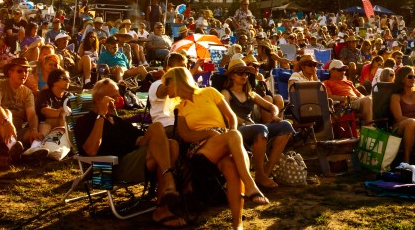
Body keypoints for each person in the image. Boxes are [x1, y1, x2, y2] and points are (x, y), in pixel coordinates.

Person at [168, 66, 270, 230]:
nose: (165, 89)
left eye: (167, 84)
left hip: (224, 141)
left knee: (232, 167)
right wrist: (209, 133)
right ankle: (251, 185)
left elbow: (231, 118)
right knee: (234, 136)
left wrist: (227, 135)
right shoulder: (180, 108)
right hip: (199, 150)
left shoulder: (210, 92)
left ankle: (237, 224)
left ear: (177, 81)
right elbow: (186, 135)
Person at [76, 78, 185, 227]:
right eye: (112, 96)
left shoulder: (117, 121)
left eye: (118, 95)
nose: (118, 99)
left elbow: (139, 139)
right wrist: (101, 115)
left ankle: (163, 204)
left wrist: (153, 136)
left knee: (168, 141)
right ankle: (168, 185)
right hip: (110, 168)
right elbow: (91, 150)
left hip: (133, 160)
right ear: (98, 99)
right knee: (164, 139)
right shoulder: (85, 121)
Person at [219, 58, 293, 190]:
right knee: (261, 128)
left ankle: (266, 172)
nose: (244, 76)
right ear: (231, 75)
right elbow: (227, 114)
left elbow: (271, 106)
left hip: (253, 126)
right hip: (237, 129)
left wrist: (275, 115)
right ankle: (260, 174)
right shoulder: (226, 93)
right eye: (240, 73)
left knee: (286, 126)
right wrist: (243, 121)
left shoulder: (250, 93)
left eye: (246, 73)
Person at [0, 58, 40, 163]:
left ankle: (33, 151)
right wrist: (7, 122)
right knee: (6, 112)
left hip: (15, 132)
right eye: (20, 71)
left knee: (39, 128)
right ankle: (13, 148)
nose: (24, 74)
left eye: (27, 71)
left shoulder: (28, 92)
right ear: (10, 73)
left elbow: (32, 115)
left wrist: (33, 129)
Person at [322, 59, 374, 124]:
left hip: (356, 101)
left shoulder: (348, 82)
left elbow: (359, 94)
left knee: (371, 99)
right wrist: (345, 98)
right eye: (340, 70)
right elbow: (329, 96)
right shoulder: (326, 83)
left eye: (344, 70)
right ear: (331, 71)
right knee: (368, 100)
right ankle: (370, 127)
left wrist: (361, 98)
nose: (343, 72)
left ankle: (380, 125)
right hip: (345, 104)